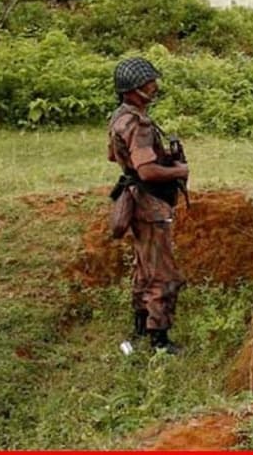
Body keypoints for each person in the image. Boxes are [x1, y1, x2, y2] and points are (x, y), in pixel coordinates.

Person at [107, 57, 189, 355]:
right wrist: (179, 170)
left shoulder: (120, 117)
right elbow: (147, 171)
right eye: (148, 83)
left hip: (135, 198)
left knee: (145, 269)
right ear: (133, 90)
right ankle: (160, 341)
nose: (154, 87)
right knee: (163, 274)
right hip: (150, 202)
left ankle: (140, 331)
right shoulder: (138, 124)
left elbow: (116, 157)